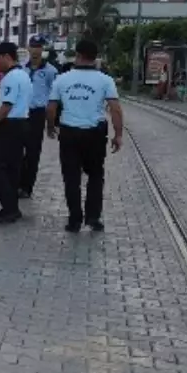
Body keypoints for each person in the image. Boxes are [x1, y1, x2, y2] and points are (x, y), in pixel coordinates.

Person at [46, 39, 123, 233]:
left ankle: (74, 219)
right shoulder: (105, 80)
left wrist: (50, 127)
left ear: (78, 56)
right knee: (96, 175)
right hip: (95, 135)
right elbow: (115, 109)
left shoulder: (62, 79)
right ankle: (93, 217)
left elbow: (51, 107)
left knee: (71, 178)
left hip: (69, 133)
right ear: (95, 58)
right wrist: (118, 134)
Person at [0, 41, 31, 224]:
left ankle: (10, 208)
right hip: (22, 125)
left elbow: (6, 107)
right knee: (11, 169)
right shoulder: (24, 75)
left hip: (10, 126)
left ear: (6, 57)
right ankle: (11, 208)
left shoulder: (11, 78)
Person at [18, 35, 59, 199]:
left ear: (43, 50)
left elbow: (54, 98)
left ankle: (27, 187)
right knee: (17, 151)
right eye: (33, 46)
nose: (35, 50)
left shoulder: (51, 71)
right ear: (28, 48)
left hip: (37, 114)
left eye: (39, 47)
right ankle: (18, 183)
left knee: (33, 152)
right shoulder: (21, 69)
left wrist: (52, 122)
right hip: (21, 114)